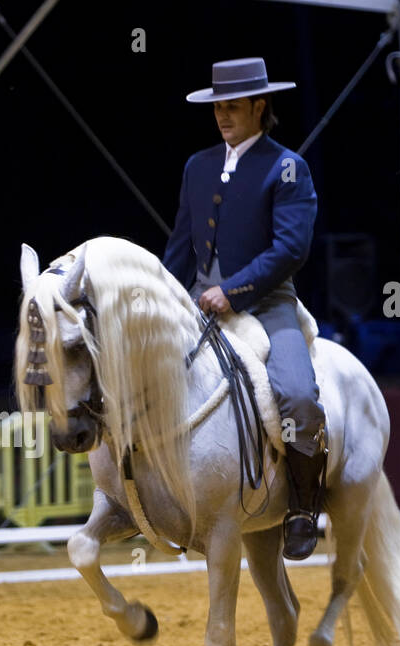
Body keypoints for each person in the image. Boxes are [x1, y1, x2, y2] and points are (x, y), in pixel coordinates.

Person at [162, 57, 325, 560]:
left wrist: (232, 292)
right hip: (200, 303)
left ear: (260, 107)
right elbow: (182, 243)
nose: (223, 116)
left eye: (233, 107)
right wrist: (164, 295)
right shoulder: (198, 165)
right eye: (218, 108)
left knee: (297, 396)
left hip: (267, 304)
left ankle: (302, 507)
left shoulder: (287, 166)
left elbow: (290, 249)